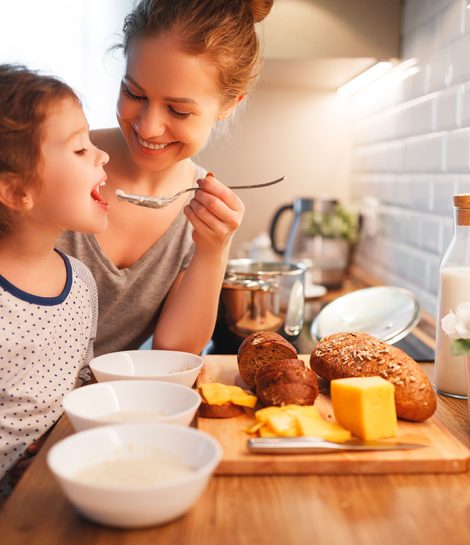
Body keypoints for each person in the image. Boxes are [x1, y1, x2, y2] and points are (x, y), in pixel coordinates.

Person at [58, 0, 274, 356]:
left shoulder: (200, 212)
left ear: (229, 104)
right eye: (134, 93)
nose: (148, 126)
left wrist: (213, 250)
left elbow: (174, 353)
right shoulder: (53, 160)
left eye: (178, 110)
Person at [0, 64, 109, 493]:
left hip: (60, 491)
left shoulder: (80, 282)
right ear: (15, 192)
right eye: (80, 150)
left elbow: (79, 388)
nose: (102, 155)